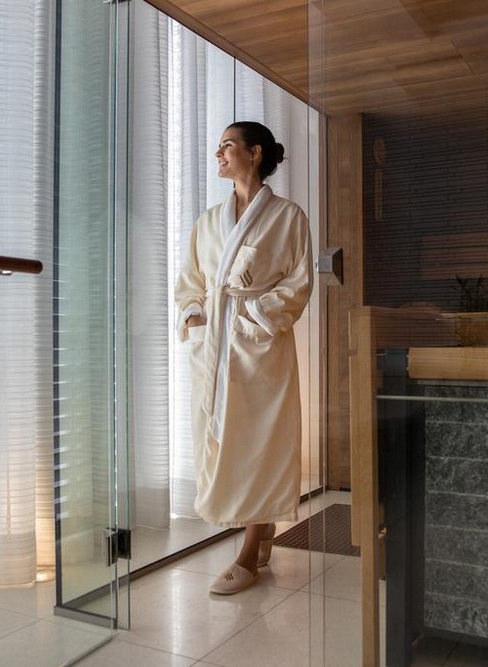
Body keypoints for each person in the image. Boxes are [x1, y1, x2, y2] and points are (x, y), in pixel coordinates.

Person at [174, 121, 313, 595]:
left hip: (259, 347)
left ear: (254, 154)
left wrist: (253, 313)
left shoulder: (288, 217)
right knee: (223, 441)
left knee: (260, 443)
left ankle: (250, 552)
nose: (219, 153)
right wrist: (195, 315)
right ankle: (261, 525)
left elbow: (298, 282)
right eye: (217, 147)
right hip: (214, 347)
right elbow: (191, 281)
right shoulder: (208, 221)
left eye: (227, 146)